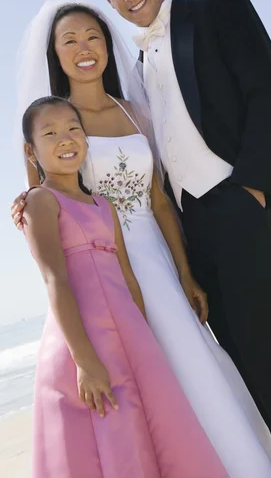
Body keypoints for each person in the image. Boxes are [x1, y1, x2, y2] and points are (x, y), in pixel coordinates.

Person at [84, 0, 271, 478]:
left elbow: (267, 92)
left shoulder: (216, 7)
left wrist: (254, 190)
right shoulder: (137, 65)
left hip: (239, 207)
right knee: (245, 367)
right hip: (192, 231)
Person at [12, 1, 271, 478]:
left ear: (106, 43)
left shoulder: (132, 110)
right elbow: (46, 192)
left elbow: (158, 199)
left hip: (155, 256)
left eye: (92, 36)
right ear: (55, 54)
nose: (84, 49)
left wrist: (183, 271)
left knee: (191, 362)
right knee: (138, 380)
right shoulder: (56, 121)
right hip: (104, 271)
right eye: (69, 41)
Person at [21, 95, 229, 478]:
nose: (65, 139)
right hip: (84, 340)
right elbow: (55, 280)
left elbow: (126, 276)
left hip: (128, 334)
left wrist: (144, 338)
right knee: (111, 435)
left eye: (73, 129)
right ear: (30, 151)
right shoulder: (40, 202)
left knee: (156, 428)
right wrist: (84, 361)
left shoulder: (103, 205)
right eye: (50, 134)